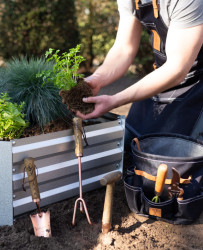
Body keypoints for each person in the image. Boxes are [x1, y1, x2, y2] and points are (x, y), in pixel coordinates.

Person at [74, 0, 203, 150]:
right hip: (163, 77)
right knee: (130, 143)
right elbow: (124, 49)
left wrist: (115, 100)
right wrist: (97, 79)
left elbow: (177, 68)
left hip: (197, 85)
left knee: (174, 155)